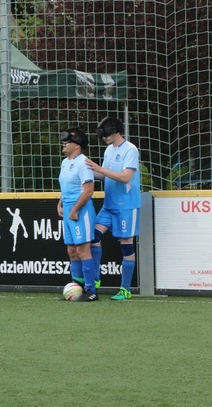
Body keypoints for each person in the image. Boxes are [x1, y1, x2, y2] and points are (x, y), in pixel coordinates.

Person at [85, 117, 141, 301]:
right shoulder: (109, 150)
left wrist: (99, 168)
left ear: (114, 132)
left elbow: (125, 177)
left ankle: (125, 289)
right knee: (93, 237)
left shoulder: (131, 149)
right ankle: (96, 279)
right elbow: (104, 175)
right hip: (109, 205)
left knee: (126, 246)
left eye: (105, 135)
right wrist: (86, 170)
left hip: (126, 206)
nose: (103, 138)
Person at [57, 127, 99, 302]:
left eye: (67, 142)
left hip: (81, 211)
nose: (63, 145)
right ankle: (77, 288)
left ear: (77, 145)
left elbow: (88, 191)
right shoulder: (65, 162)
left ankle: (91, 291)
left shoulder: (83, 162)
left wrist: (74, 210)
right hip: (68, 210)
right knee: (72, 251)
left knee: (83, 250)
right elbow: (66, 187)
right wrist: (60, 203)